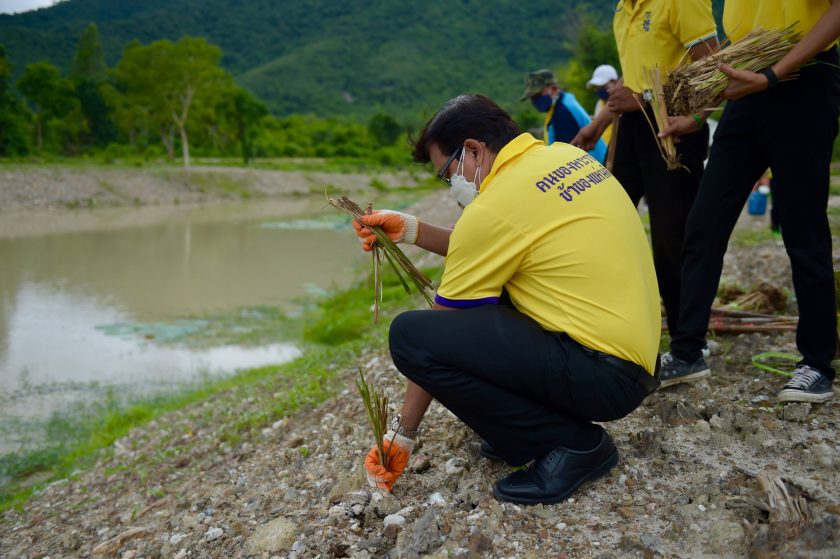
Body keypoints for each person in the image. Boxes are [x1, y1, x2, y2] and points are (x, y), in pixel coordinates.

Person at [353, 94, 661, 504]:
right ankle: (530, 424)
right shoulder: (564, 158)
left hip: (604, 376)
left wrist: (401, 435)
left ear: (474, 150)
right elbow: (493, 242)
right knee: (492, 299)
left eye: (448, 173)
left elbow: (440, 330)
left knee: (411, 336)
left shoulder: (495, 206)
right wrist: (412, 230)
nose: (452, 185)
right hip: (636, 361)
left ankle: (573, 444)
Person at [658, 1, 840, 402]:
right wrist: (699, 113)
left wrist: (773, 74)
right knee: (704, 224)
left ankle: (816, 363)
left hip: (804, 81)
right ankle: (687, 352)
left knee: (803, 230)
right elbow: (741, 38)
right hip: (748, 92)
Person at [571, 0, 719, 381]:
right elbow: (633, 77)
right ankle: (614, 330)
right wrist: (598, 123)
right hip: (631, 129)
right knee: (609, 224)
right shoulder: (624, 9)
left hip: (672, 128)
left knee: (671, 239)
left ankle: (690, 347)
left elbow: (714, 67)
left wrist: (650, 102)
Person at [521, 69, 607, 163]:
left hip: (594, 165)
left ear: (553, 89)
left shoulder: (562, 112)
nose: (535, 100)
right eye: (532, 97)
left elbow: (566, 156)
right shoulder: (562, 102)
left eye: (538, 95)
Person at [586, 64, 619, 147]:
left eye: (603, 86)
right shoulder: (599, 103)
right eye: (597, 87)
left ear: (615, 82)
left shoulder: (623, 105)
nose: (599, 90)